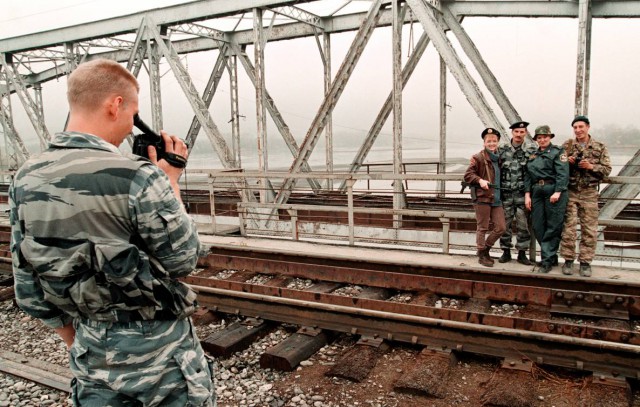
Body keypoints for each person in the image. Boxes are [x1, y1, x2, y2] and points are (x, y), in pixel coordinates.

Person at [9, 59, 215, 406]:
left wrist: (82, 340)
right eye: (134, 115)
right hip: (165, 362)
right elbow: (182, 259)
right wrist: (169, 180)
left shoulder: (25, 179)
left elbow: (28, 290)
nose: (132, 127)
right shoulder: (139, 176)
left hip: (91, 356)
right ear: (115, 105)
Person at [559, 115, 612, 277]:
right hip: (571, 191)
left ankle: (585, 262)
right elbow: (557, 168)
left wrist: (591, 166)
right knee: (568, 228)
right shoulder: (567, 146)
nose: (578, 130)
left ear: (588, 127)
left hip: (589, 192)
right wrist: (567, 162)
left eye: (581, 127)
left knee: (589, 229)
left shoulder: (600, 146)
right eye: (575, 127)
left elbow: (607, 170)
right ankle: (568, 260)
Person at [524, 125, 569, 274]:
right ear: (536, 139)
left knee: (553, 225)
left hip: (553, 190)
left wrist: (558, 191)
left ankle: (546, 260)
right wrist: (527, 194)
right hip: (537, 191)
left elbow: (563, 173)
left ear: (550, 138)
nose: (542, 140)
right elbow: (528, 176)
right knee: (537, 226)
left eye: (545, 137)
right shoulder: (533, 155)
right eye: (539, 137)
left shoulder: (558, 152)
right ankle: (550, 255)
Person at [464, 128, 507, 267]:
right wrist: (480, 180)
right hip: (483, 198)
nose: (492, 143)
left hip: (497, 198)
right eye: (489, 141)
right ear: (484, 143)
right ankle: (482, 254)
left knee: (501, 227)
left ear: (498, 142)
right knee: (482, 227)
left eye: (494, 141)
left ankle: (486, 248)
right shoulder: (478, 157)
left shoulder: (499, 157)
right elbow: (468, 175)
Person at [498, 121, 537, 265]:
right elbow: (490, 161)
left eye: (522, 132)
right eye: (516, 132)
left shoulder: (531, 150)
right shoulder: (502, 149)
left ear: (525, 133)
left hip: (522, 194)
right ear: (512, 133)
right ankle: (506, 252)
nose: (519, 135)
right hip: (506, 193)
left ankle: (522, 253)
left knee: (523, 225)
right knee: (505, 225)